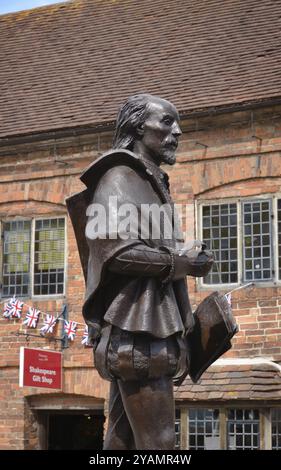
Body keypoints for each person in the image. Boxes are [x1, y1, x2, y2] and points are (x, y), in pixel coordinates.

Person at [69, 94, 214, 449]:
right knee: (160, 445)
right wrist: (183, 265)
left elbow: (147, 248)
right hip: (140, 327)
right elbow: (117, 252)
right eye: (166, 122)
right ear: (138, 127)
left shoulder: (150, 181)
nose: (177, 131)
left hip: (146, 327)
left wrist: (186, 257)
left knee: (121, 442)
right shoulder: (119, 176)